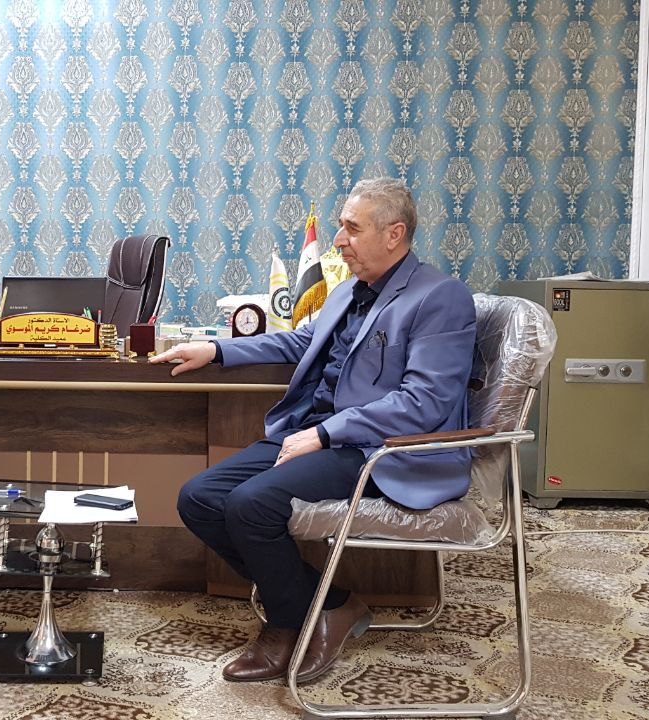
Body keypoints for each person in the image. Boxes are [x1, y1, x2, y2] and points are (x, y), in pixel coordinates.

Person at [151, 178, 476, 683]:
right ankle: (331, 604)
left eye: (352, 229)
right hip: (319, 433)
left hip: (382, 451)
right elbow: (300, 343)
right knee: (199, 497)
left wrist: (326, 434)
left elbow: (424, 402)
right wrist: (216, 350)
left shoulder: (440, 296)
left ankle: (286, 625)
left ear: (394, 234)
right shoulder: (348, 290)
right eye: (341, 227)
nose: (339, 240)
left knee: (252, 505)